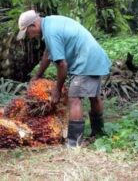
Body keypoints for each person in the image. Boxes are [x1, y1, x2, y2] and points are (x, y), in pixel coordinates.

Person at [17, 10, 111, 147]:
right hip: (94, 56)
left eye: (28, 33)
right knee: (94, 96)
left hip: (85, 60)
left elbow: (62, 64)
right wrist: (37, 75)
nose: (30, 37)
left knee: (74, 98)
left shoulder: (50, 32)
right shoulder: (50, 22)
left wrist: (58, 88)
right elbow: (47, 53)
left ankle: (74, 143)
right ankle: (99, 133)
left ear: (33, 25)